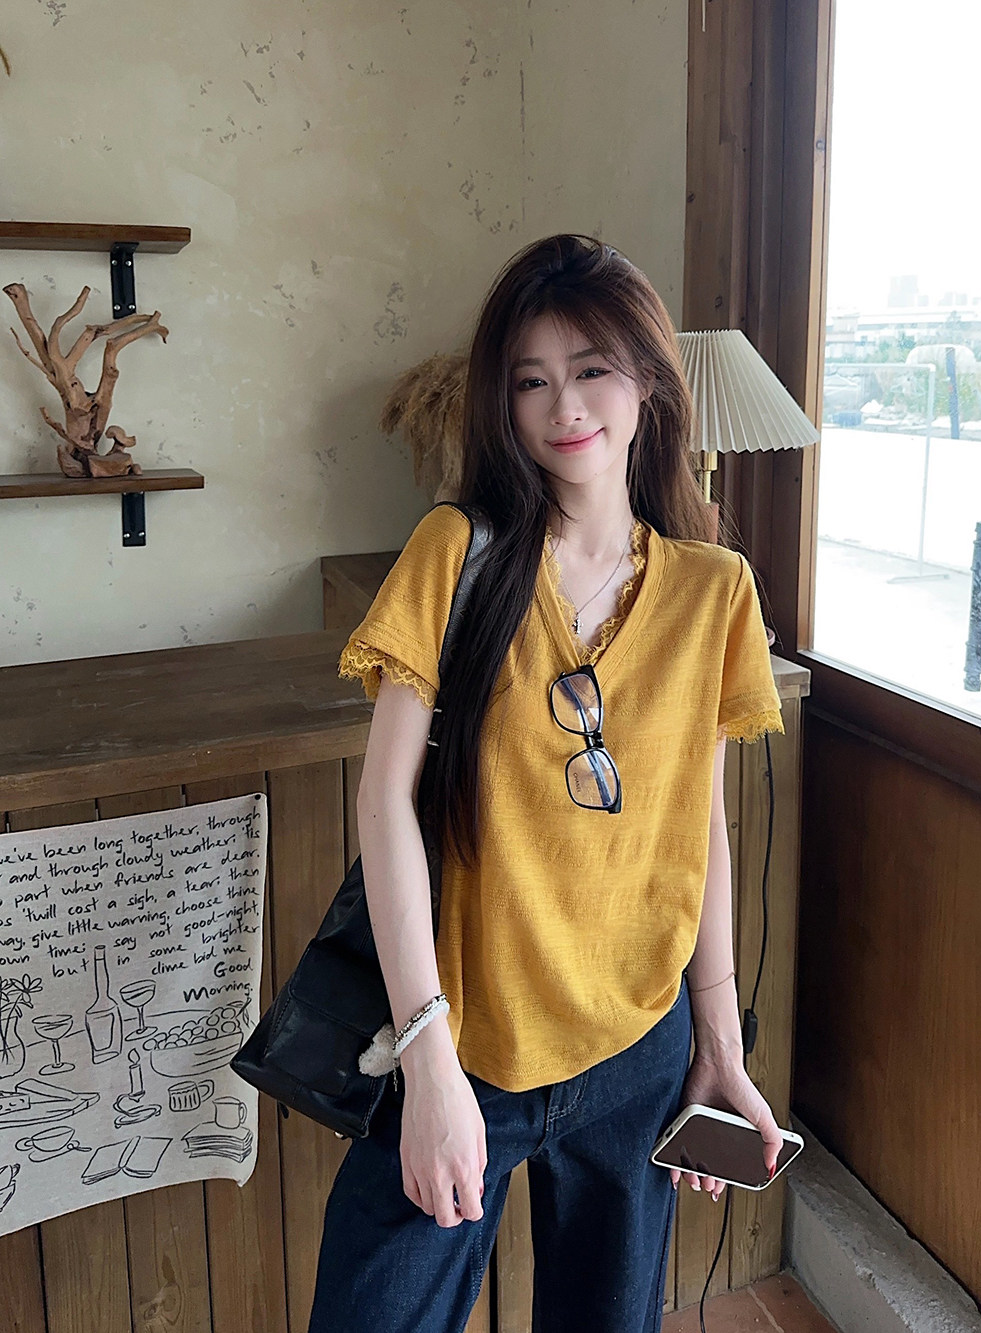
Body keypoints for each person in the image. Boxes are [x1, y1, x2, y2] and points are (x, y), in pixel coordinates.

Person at [308, 233, 786, 1333]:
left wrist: (718, 1042)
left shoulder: (714, 590)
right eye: (530, 380)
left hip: (641, 1051)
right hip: (468, 1041)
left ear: (648, 379)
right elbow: (385, 803)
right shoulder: (456, 554)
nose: (562, 404)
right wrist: (427, 1060)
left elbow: (702, 824)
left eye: (591, 368)